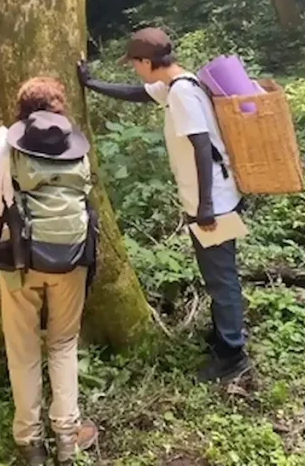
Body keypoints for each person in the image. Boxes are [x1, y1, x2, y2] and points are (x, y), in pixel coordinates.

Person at [78, 29, 251, 383]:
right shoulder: (177, 83)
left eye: (135, 64)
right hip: (215, 198)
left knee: (222, 279)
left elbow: (202, 148)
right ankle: (223, 336)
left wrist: (204, 207)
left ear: (147, 61)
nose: (135, 71)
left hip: (214, 203)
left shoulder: (184, 94)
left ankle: (232, 354)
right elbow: (137, 93)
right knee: (218, 274)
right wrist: (92, 84)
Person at [0, 77, 99, 466]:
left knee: (24, 350)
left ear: (23, 111)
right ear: (59, 108)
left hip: (20, 262)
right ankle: (67, 437)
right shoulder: (77, 149)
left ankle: (30, 443)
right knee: (63, 345)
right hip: (71, 259)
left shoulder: (4, 148)